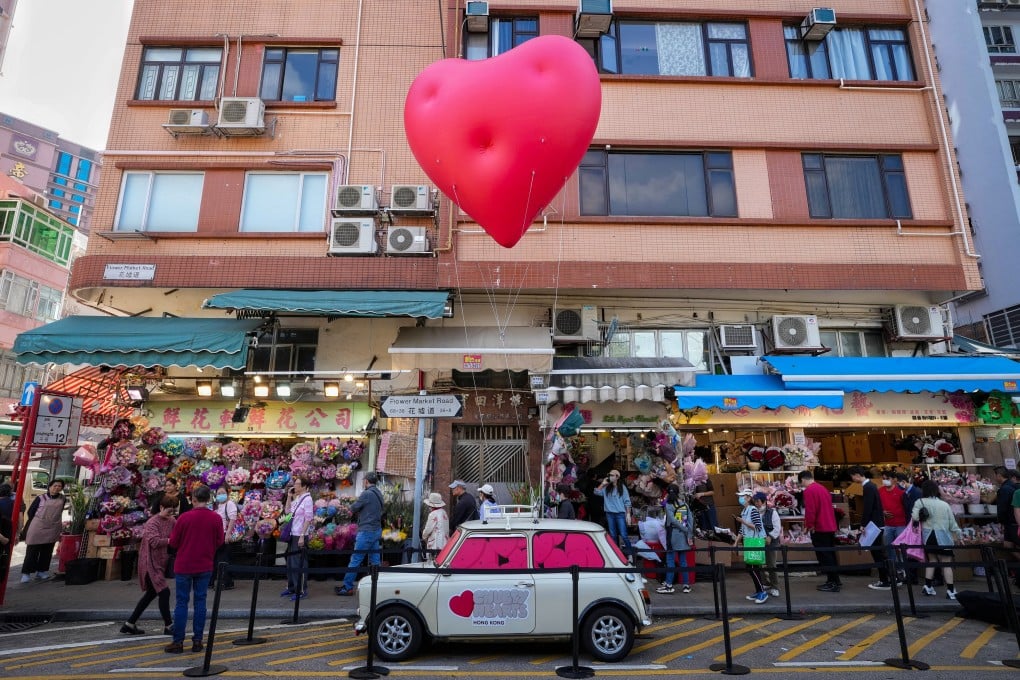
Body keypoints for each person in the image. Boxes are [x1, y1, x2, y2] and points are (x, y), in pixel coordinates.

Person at [165, 484, 224, 654]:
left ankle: (178, 641)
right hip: (205, 564)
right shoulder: (216, 518)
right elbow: (220, 541)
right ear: (209, 499)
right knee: (201, 602)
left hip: (184, 565)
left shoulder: (184, 518)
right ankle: (198, 640)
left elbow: (174, 542)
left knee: (181, 602)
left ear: (194, 499)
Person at [121, 495, 177, 636]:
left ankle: (129, 623)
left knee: (151, 594)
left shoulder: (172, 520)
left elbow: (177, 533)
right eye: (169, 511)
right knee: (164, 592)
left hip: (161, 562)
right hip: (149, 562)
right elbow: (154, 542)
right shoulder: (152, 522)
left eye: (173, 511)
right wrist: (171, 540)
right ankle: (168, 625)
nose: (171, 514)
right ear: (161, 507)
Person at [336, 471, 385, 596]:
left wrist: (343, 508)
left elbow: (353, 508)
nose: (363, 482)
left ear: (367, 481)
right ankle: (376, 587)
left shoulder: (366, 494)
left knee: (356, 559)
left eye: (364, 480)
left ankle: (347, 587)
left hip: (366, 531)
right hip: (376, 530)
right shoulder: (379, 493)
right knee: (375, 560)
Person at [913, 479, 962, 600]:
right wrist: (959, 535)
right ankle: (951, 590)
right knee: (946, 563)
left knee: (932, 560)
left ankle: (927, 586)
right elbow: (952, 523)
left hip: (928, 536)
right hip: (943, 536)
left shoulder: (919, 502)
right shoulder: (944, 504)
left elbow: (914, 517)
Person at [850, 466, 894, 590]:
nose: (852, 479)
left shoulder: (868, 487)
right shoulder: (872, 486)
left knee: (877, 552)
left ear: (857, 475)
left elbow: (868, 508)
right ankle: (890, 578)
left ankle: (884, 580)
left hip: (874, 524)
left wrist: (863, 524)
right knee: (879, 552)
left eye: (852, 476)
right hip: (878, 523)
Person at [799, 469, 841, 592]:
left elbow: (811, 510)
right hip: (830, 525)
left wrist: (809, 525)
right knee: (830, 554)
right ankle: (835, 580)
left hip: (820, 527)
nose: (802, 486)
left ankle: (832, 582)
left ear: (803, 480)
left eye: (801, 483)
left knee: (824, 555)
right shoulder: (822, 488)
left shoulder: (809, 490)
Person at [20, 479, 66, 583]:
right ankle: (26, 573)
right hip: (38, 527)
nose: (57, 488)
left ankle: (41, 571)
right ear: (49, 487)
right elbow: (30, 512)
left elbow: (60, 511)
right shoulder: (40, 498)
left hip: (53, 527)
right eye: (55, 485)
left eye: (59, 486)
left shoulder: (63, 499)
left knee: (47, 551)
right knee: (32, 551)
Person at [657, 484, 694, 595]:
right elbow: (690, 520)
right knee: (683, 561)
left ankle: (669, 585)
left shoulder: (669, 505)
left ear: (668, 493)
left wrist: (683, 529)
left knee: (670, 561)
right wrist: (688, 533)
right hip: (684, 536)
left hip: (673, 536)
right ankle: (686, 585)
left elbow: (672, 520)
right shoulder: (685, 504)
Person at [282, 475, 314, 600]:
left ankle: (300, 590)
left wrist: (302, 536)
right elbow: (287, 512)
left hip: (300, 534)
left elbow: (308, 518)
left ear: (304, 486)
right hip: (292, 533)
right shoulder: (298, 498)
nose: (295, 486)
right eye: (295, 484)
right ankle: (291, 588)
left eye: (297, 484)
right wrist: (289, 497)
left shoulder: (308, 499)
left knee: (298, 563)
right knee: (290, 563)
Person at [735, 488, 768, 603]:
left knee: (752, 568)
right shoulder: (744, 511)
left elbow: (758, 527)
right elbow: (742, 529)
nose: (740, 498)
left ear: (748, 498)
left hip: (755, 541)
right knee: (752, 568)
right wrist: (736, 542)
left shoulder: (753, 510)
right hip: (749, 541)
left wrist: (743, 522)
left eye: (742, 496)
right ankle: (759, 591)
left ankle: (762, 592)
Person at [593, 470, 632, 554]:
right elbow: (596, 492)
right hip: (609, 514)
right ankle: (616, 554)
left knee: (624, 535)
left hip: (620, 514)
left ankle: (631, 554)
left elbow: (627, 501)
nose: (610, 476)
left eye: (612, 475)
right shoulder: (607, 487)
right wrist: (603, 483)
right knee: (613, 535)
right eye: (609, 475)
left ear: (617, 477)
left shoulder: (622, 487)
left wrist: (628, 514)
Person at [753, 491, 782, 597]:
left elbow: (777, 527)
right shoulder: (754, 512)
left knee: (771, 564)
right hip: (758, 541)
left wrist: (770, 536)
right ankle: (765, 583)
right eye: (755, 501)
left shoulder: (772, 512)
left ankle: (775, 587)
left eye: (758, 501)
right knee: (758, 563)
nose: (756, 503)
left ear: (764, 501)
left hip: (771, 542)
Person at [210, 487, 239, 591]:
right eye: (218, 493)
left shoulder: (230, 504)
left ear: (227, 493)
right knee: (217, 559)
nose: (220, 495)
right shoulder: (217, 505)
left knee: (224, 559)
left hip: (225, 534)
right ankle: (214, 581)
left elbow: (232, 519)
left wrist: (228, 534)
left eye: (223, 493)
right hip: (217, 535)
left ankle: (227, 582)